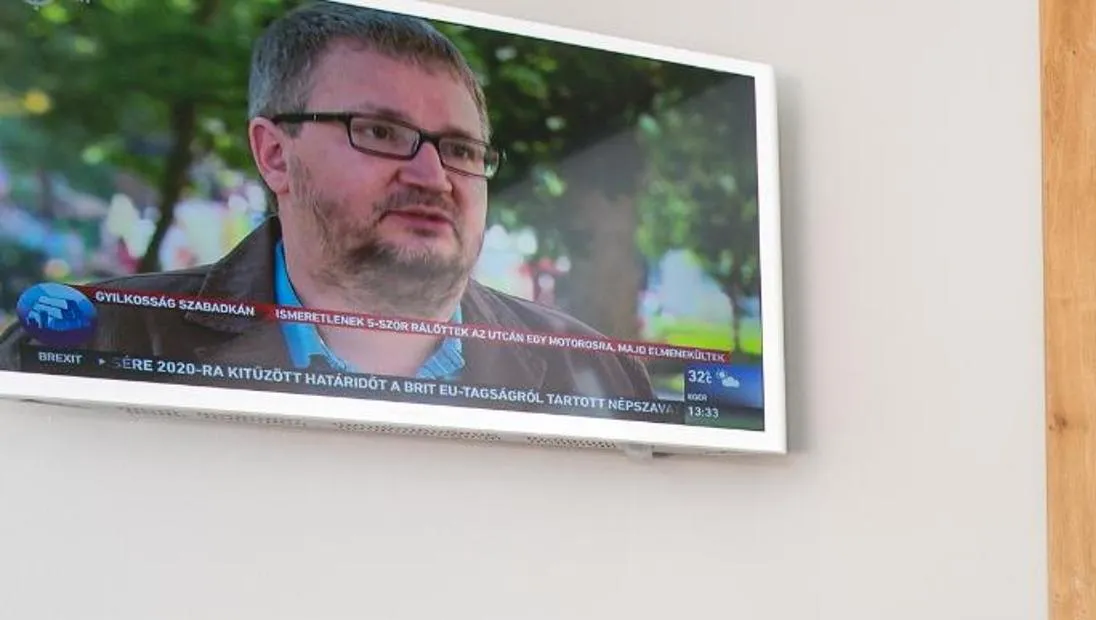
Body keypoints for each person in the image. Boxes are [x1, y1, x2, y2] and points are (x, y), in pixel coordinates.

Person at [2, 2, 655, 404]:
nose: (433, 174)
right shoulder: (95, 342)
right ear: (275, 155)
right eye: (379, 132)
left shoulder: (595, 371)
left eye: (460, 148)